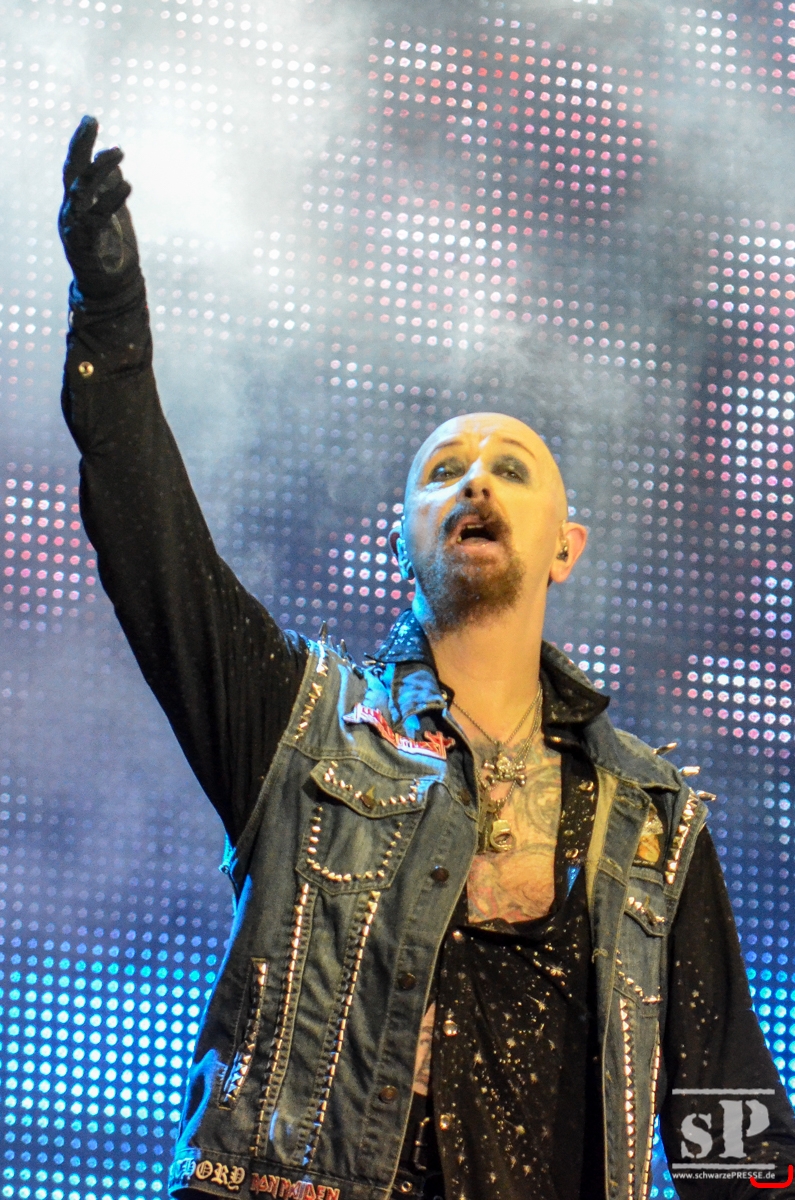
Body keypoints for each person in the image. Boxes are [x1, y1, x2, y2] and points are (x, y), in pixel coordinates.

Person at [57, 115, 795, 1200]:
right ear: (401, 538)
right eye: (445, 471)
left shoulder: (651, 820)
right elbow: (150, 540)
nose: (476, 480)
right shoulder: (299, 729)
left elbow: (732, 1132)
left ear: (565, 547)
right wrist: (111, 317)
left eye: (510, 468)